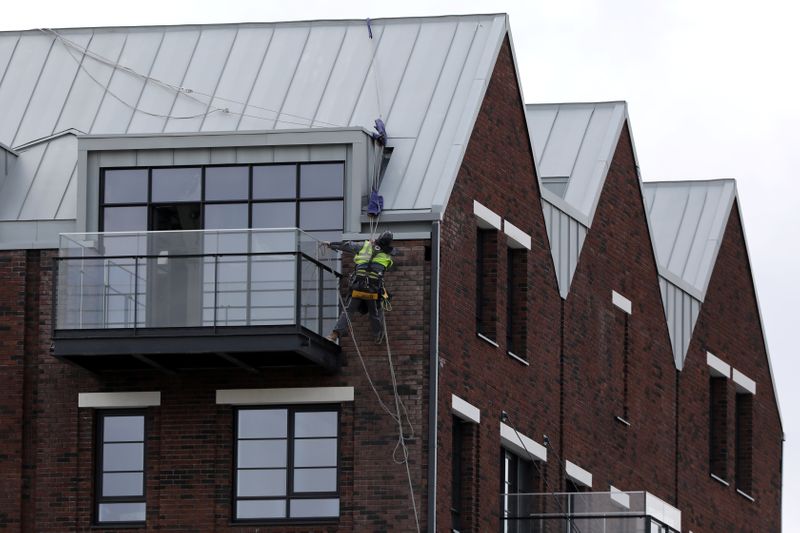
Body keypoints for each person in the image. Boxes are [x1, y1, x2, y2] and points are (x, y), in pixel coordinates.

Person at [325, 231, 394, 344]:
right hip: (372, 291)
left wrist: (330, 244)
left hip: (358, 287)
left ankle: (334, 335)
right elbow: (387, 266)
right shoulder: (387, 257)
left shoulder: (365, 245)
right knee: (375, 313)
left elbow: (347, 245)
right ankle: (378, 336)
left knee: (348, 311)